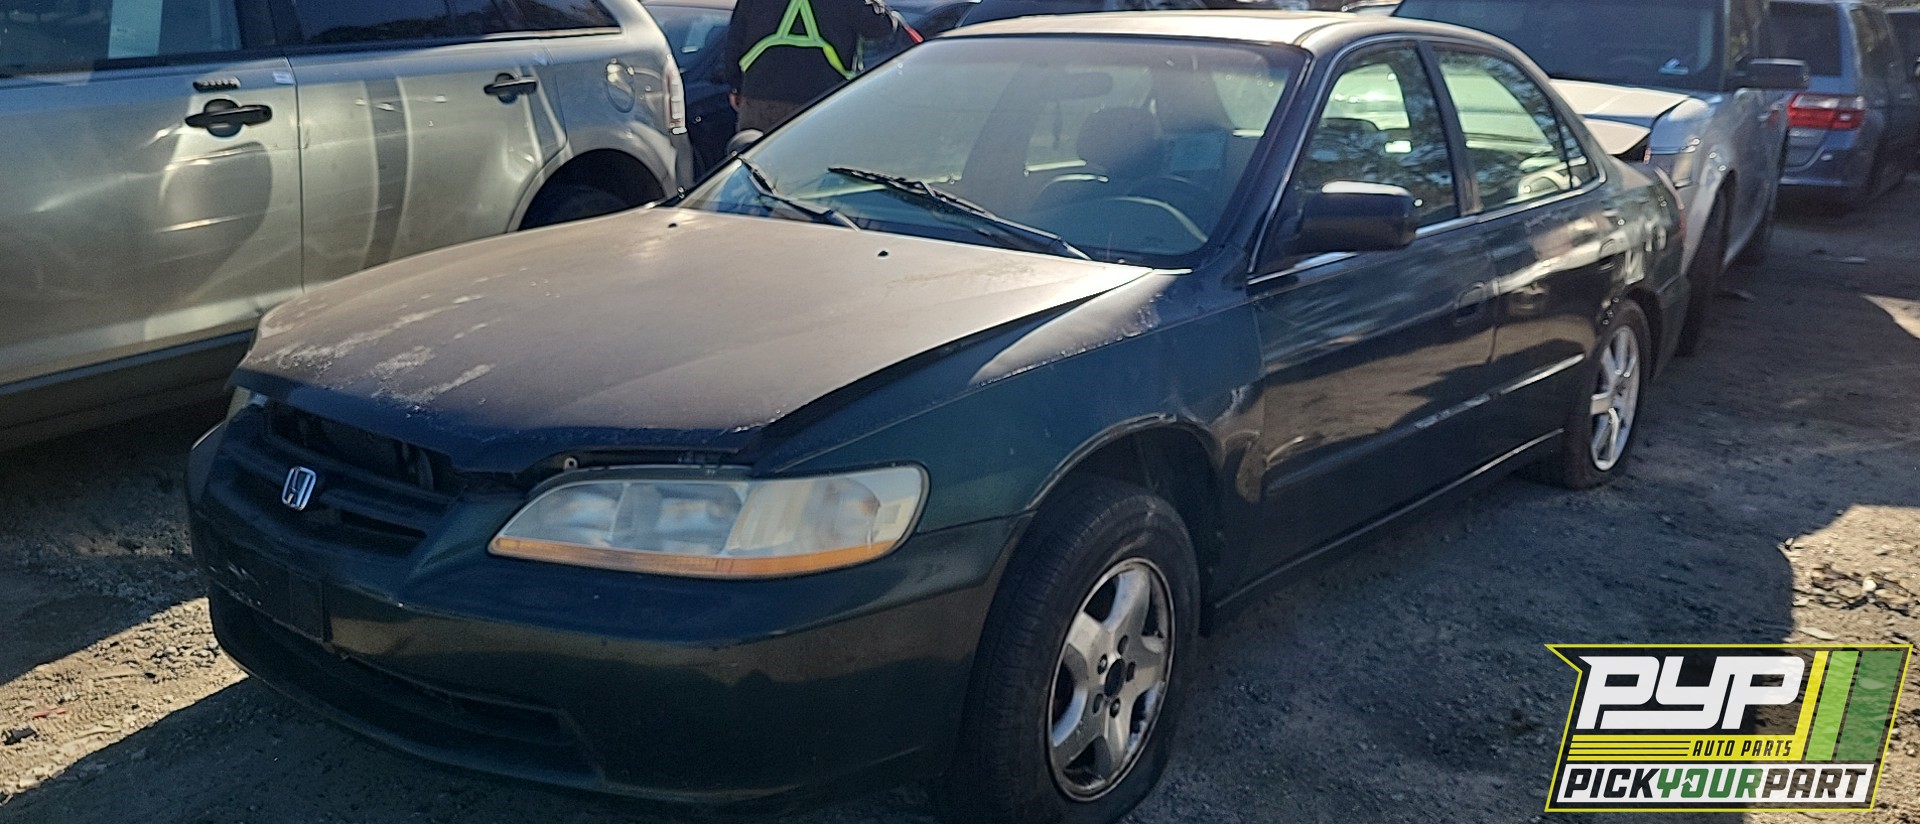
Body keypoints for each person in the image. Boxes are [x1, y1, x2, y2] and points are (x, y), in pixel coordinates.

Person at [720, 0, 911, 132]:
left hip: (760, 100)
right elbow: (880, 27)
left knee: (754, 171)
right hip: (820, 102)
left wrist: (736, 85)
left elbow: (735, 38)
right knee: (811, 173)